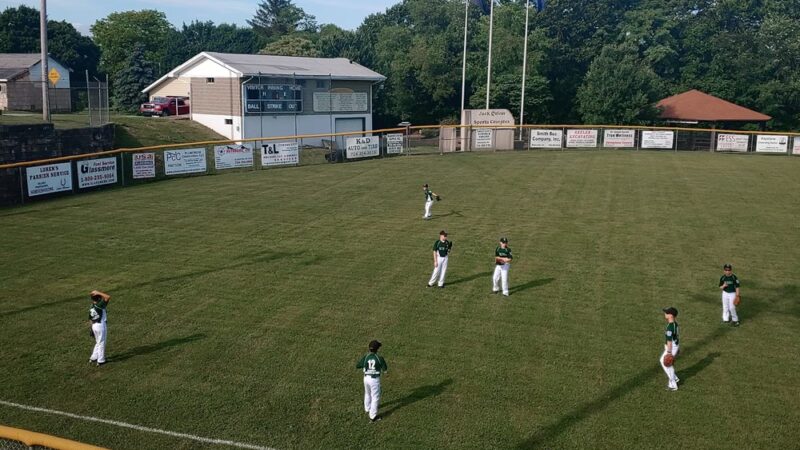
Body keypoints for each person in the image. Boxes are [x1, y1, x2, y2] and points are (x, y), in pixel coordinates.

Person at [356, 340, 388, 423]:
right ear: (377, 349)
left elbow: (358, 365)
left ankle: (367, 408)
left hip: (366, 378)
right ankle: (372, 417)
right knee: (375, 397)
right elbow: (385, 370)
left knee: (367, 393)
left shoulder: (366, 357)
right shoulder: (379, 358)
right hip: (374, 380)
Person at [88, 290, 111, 366]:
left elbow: (90, 319)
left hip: (94, 325)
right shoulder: (99, 305)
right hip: (100, 325)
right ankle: (101, 360)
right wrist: (98, 292)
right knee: (101, 343)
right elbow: (108, 297)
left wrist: (91, 328)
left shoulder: (91, 306)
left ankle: (93, 357)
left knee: (98, 341)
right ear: (98, 299)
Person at [660, 307, 680, 391]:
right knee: (664, 362)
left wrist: (669, 352)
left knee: (667, 364)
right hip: (675, 346)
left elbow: (669, 341)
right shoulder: (674, 324)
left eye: (666, 313)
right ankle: (675, 378)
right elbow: (676, 337)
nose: (665, 314)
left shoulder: (670, 328)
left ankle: (673, 385)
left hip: (671, 347)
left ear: (671, 315)